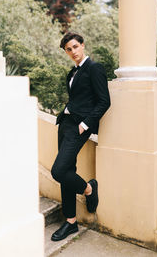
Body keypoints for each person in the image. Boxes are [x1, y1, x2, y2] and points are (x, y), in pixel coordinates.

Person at [51, 32, 110, 241]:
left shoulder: (95, 69)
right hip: (65, 125)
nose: (73, 52)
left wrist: (85, 125)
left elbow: (104, 101)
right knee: (67, 170)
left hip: (79, 127)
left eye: (75, 47)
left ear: (83, 45)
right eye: (69, 49)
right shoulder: (71, 73)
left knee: (58, 171)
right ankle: (71, 223)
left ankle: (88, 188)